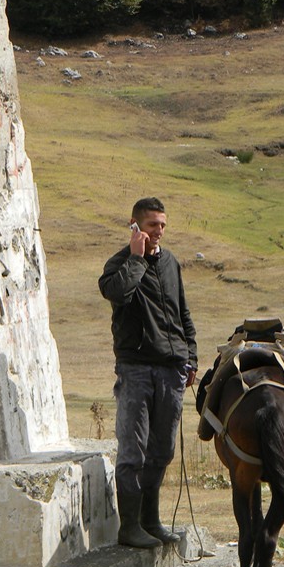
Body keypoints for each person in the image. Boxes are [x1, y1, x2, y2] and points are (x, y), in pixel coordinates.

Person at [99, 196, 197, 549]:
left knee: (162, 450)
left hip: (172, 369)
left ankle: (150, 520)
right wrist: (137, 258)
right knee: (133, 451)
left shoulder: (170, 263)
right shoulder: (120, 264)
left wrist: (191, 357)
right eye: (153, 224)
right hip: (136, 369)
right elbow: (118, 292)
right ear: (136, 225)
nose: (160, 231)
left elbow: (182, 313)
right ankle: (129, 527)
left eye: (163, 225)